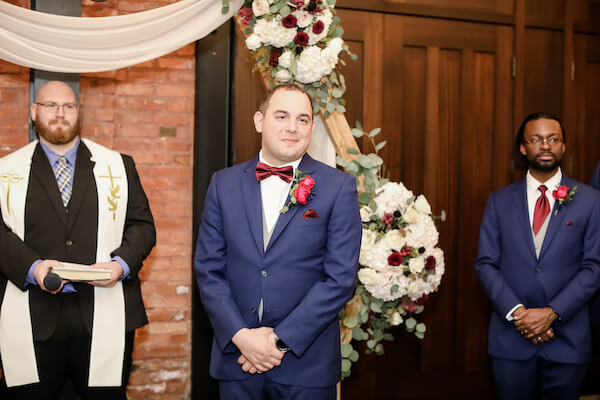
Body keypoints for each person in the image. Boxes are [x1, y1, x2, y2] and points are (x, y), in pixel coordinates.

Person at [194, 84, 361, 399]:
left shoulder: (338, 188)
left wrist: (277, 342)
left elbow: (339, 279)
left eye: (302, 119)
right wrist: (242, 337)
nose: (292, 128)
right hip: (237, 360)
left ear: (312, 127)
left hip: (305, 364)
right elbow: (208, 269)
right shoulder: (222, 184)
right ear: (259, 121)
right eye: (281, 116)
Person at [0, 81, 155, 399]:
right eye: (50, 105)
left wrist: (119, 266)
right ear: (34, 111)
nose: (60, 113)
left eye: (68, 106)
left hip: (103, 315)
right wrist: (34, 268)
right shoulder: (6, 171)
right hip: (32, 319)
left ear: (78, 112)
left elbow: (142, 227)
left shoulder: (118, 166)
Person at [475, 112, 600, 399]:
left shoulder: (591, 201)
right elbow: (486, 264)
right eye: (537, 139)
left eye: (553, 139)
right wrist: (518, 314)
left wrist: (552, 313)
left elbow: (594, 267)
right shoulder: (499, 201)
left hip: (567, 339)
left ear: (563, 146)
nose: (546, 145)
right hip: (511, 339)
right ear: (523, 147)